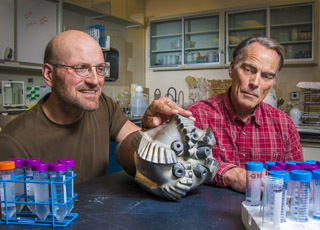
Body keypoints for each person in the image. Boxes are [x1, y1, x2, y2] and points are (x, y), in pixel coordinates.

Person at [0, 30, 193, 184]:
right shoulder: (15, 142)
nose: (95, 80)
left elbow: (135, 144)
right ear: (49, 74)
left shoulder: (104, 106)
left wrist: (154, 129)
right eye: (81, 68)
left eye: (100, 69)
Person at [185, 37, 304, 193]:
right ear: (232, 68)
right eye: (248, 70)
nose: (255, 82)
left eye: (266, 76)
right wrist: (230, 174)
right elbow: (180, 166)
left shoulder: (284, 125)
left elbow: (298, 183)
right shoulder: (196, 116)